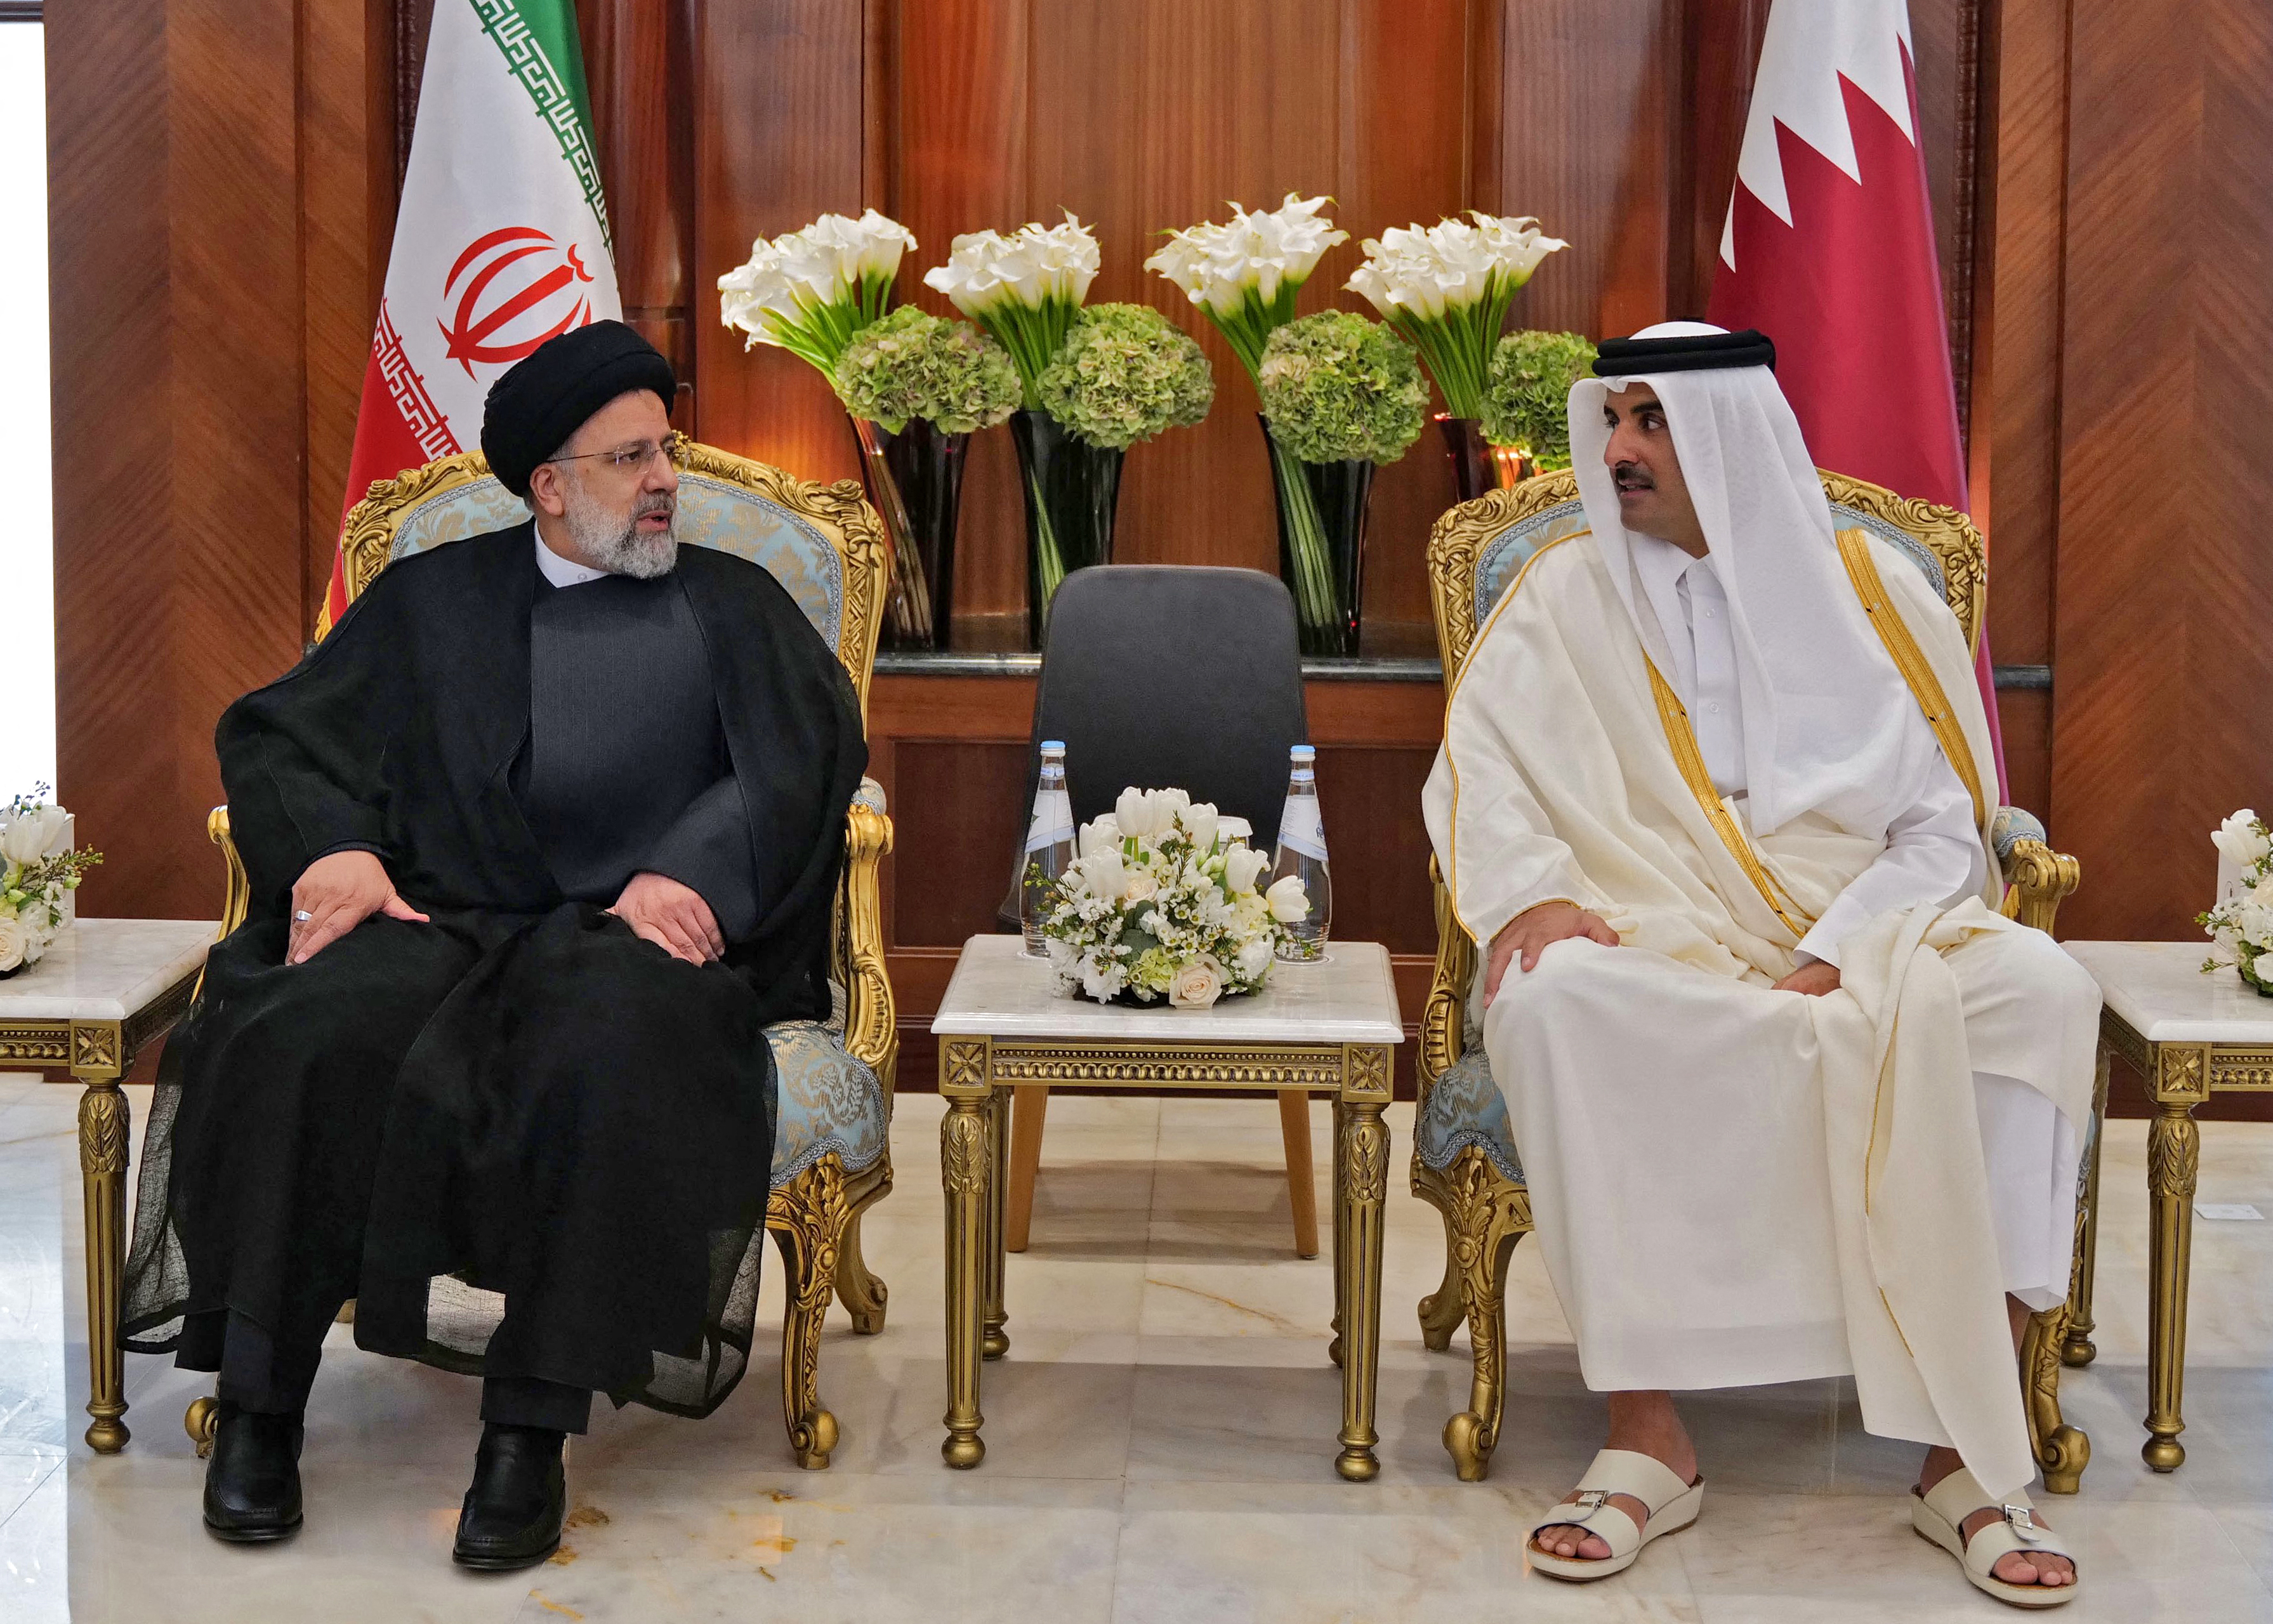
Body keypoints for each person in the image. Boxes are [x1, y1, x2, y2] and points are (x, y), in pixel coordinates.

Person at [121, 320, 866, 1569]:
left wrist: (686, 869)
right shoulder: (433, 597)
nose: (666, 478)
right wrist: (332, 850)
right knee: (299, 1026)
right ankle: (260, 1402)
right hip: (443, 916)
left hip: (623, 941)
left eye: (665, 448)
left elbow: (801, 761)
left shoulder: (732, 603)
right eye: (631, 458)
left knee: (610, 1045)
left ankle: (529, 1428)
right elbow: (283, 735)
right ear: (551, 486)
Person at [1422, 323, 2093, 1607]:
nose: (1617, 450)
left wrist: (1839, 954)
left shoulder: (1870, 591)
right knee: (1558, 998)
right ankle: (1646, 1429)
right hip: (1656, 928)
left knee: (2042, 996)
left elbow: (1946, 826)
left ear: (1727, 437)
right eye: (1615, 420)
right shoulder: (1564, 592)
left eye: (1650, 424)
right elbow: (1481, 774)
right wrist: (1539, 893)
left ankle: (1968, 1451)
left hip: (1870, 921)